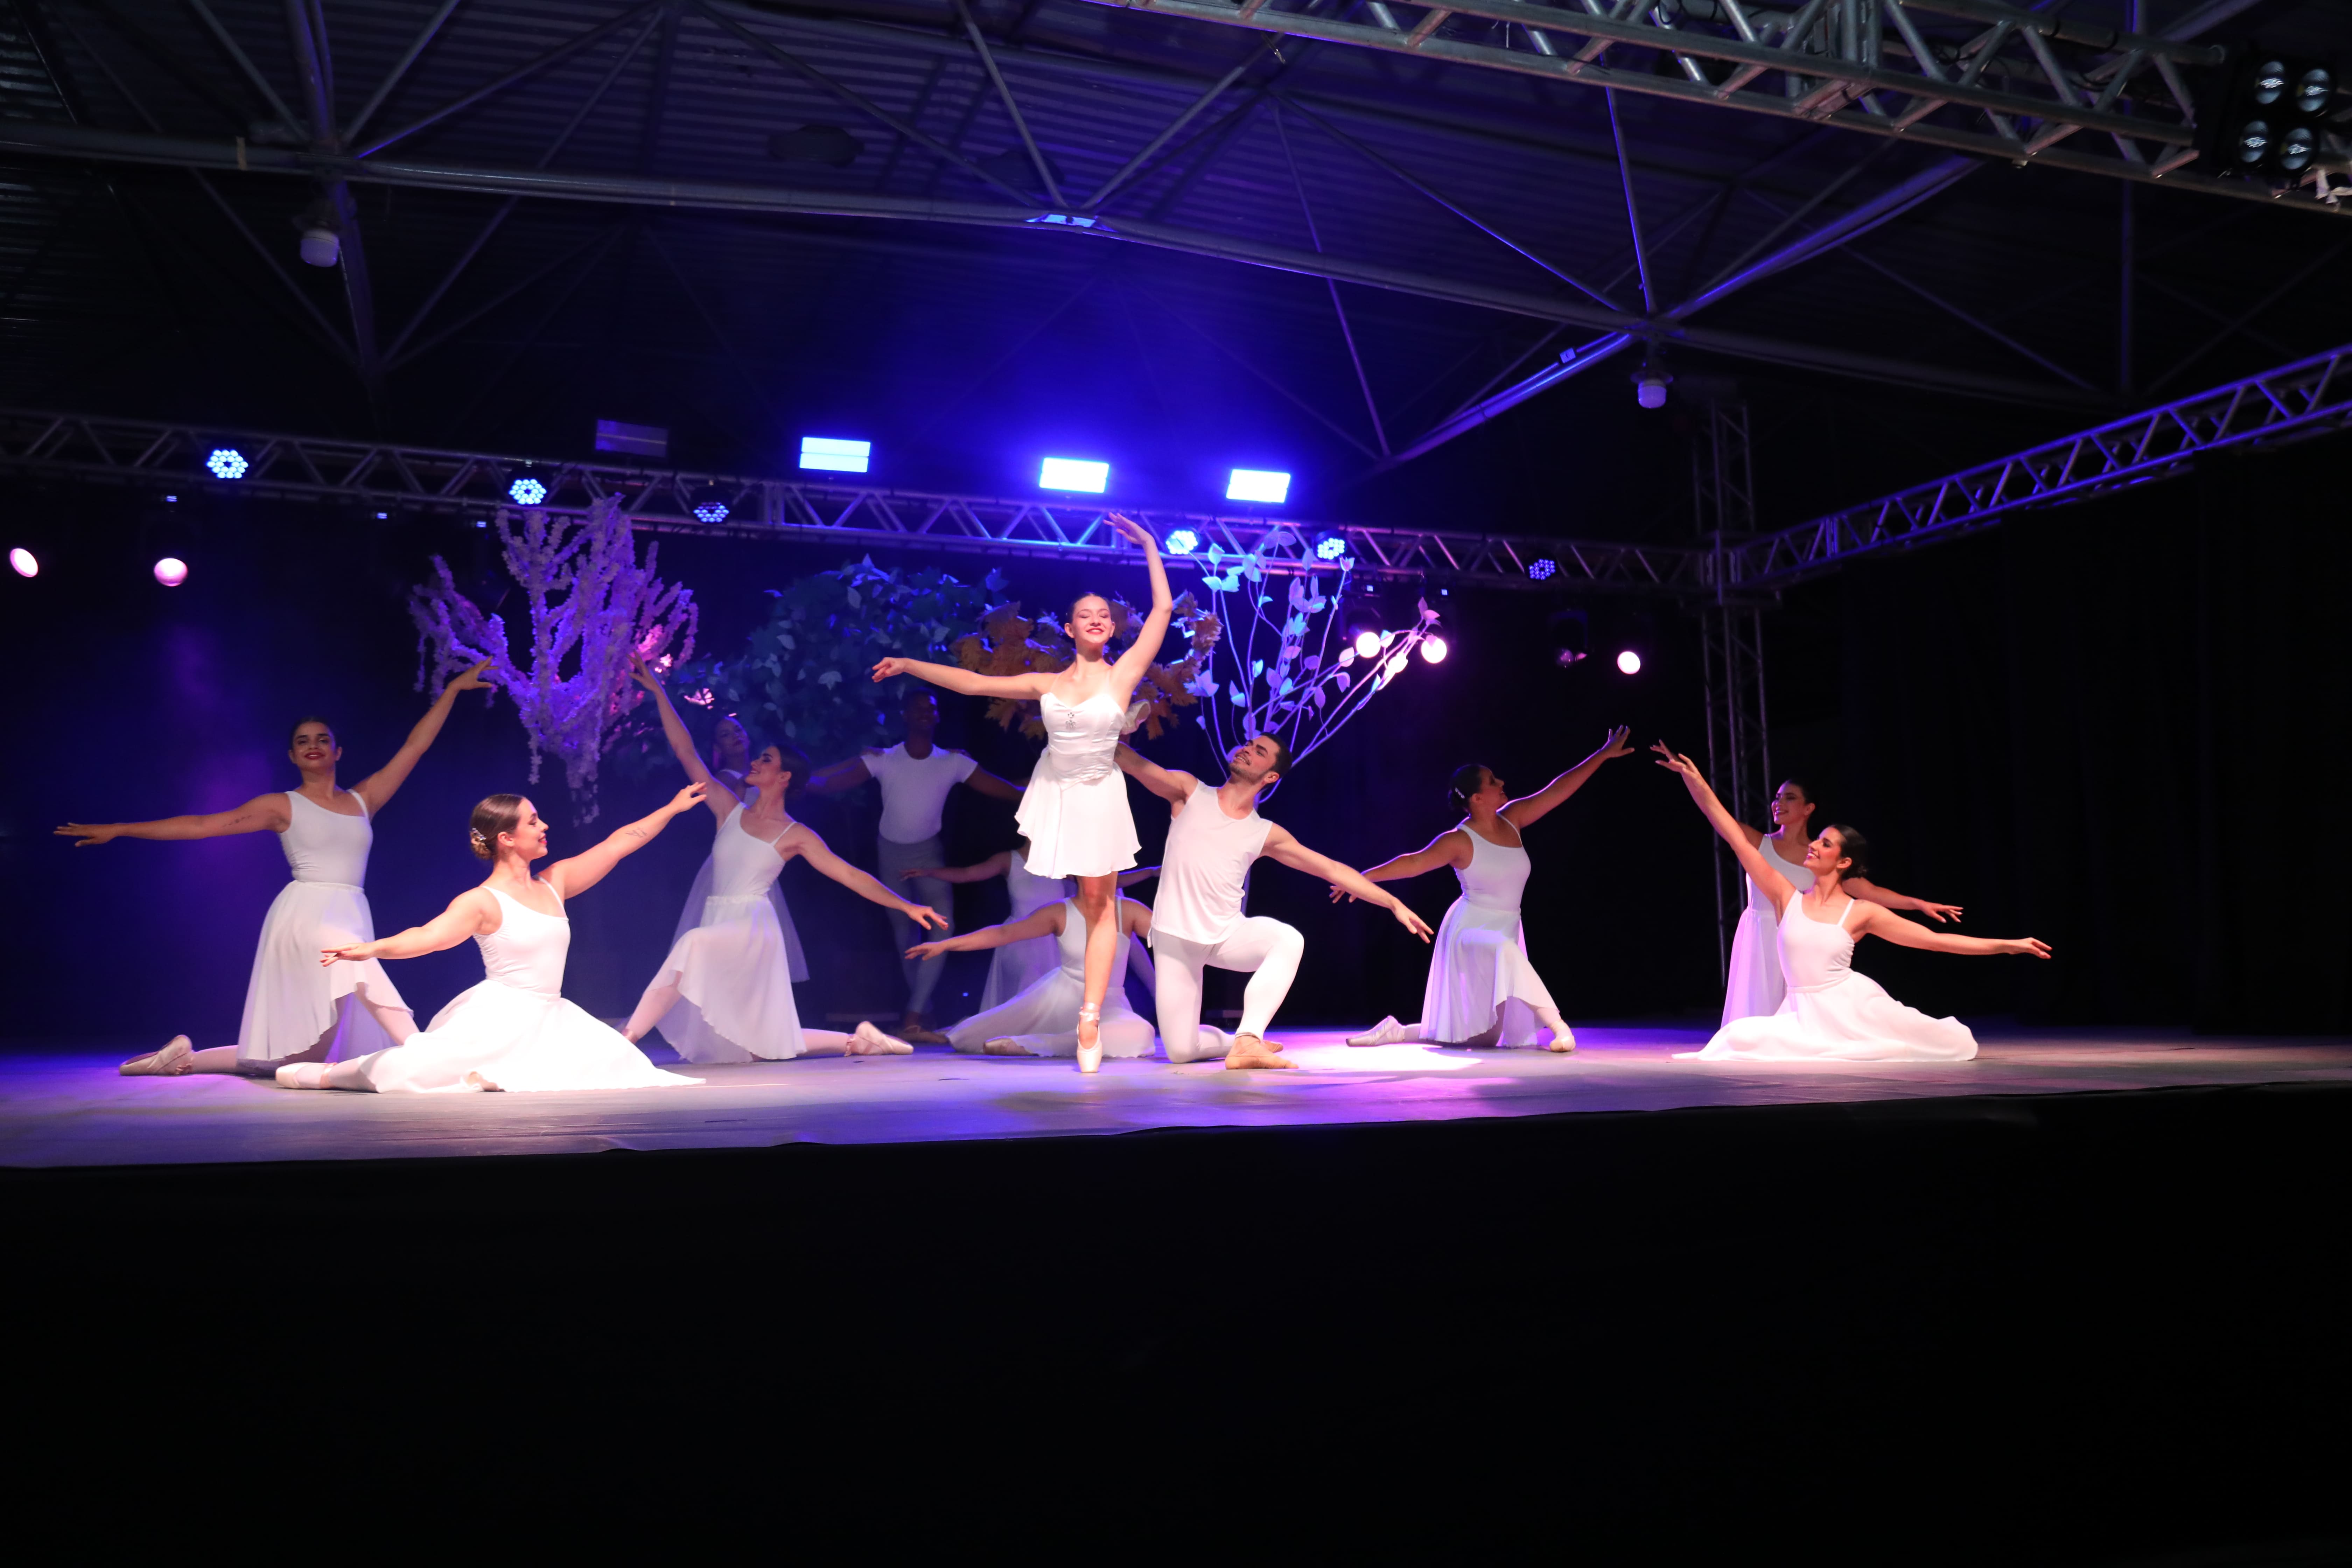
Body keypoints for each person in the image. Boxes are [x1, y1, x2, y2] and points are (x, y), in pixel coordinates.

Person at [59, 663, 495, 1077]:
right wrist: (120, 829)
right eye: (303, 741)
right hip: (307, 914)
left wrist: (453, 690)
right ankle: (427, 1053)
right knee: (357, 966)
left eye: (322, 739)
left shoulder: (365, 799)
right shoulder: (281, 805)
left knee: (310, 1054)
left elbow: (415, 747)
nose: (313, 745)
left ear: (338, 751)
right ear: (292, 755)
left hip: (350, 911)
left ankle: (183, 1061)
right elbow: (202, 826)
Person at [872, 511, 1172, 1070]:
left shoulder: (1123, 676)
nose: (1096, 620)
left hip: (1100, 795)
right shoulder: (1047, 683)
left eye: (1104, 615)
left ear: (1112, 628)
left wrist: (1150, 546)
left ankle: (1090, 1018)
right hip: (1058, 792)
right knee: (1080, 902)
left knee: (1101, 906)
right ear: (1070, 629)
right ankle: (1075, 1012)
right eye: (1085, 615)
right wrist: (911, 664)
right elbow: (975, 683)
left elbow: (1162, 611)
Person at [619, 655, 942, 1062]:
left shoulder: (796, 835)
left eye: (767, 760)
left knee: (691, 944)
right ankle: (857, 1041)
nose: (755, 762)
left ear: (785, 777)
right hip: (719, 916)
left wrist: (906, 905)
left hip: (752, 927)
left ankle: (625, 1040)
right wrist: (658, 691)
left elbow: (849, 875)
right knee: (751, 1043)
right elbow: (686, 752)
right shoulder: (728, 809)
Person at [278, 788, 710, 1092]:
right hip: (499, 1016)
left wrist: (672, 808)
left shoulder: (555, 883)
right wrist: (373, 948)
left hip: (553, 1015)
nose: (545, 826)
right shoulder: (481, 901)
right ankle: (322, 1075)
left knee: (617, 1065)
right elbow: (429, 937)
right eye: (533, 821)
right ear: (507, 838)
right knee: (413, 1071)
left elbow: (619, 844)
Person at [1653, 743, 2049, 1062]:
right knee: (1736, 1037)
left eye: (1825, 844)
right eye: (1817, 840)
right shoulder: (1785, 895)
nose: (1814, 846)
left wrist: (2007, 945)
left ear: (1843, 862)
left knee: (1948, 1042)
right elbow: (1730, 831)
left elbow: (1934, 941)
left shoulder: (1861, 912)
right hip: (1800, 1014)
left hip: (1852, 1009)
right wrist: (1695, 780)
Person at [1116, 734, 1434, 1071]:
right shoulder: (1189, 792)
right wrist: (1096, 726)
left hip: (1226, 935)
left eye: (1260, 751)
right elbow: (1134, 763)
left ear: (1271, 776)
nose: (1247, 750)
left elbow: (1331, 869)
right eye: (1249, 745)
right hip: (1176, 939)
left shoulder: (1264, 832)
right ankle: (1240, 1043)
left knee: (1288, 939)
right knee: (1181, 1052)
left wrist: (1393, 903)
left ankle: (1248, 1038)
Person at [1343, 728, 1636, 1052]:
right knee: (1505, 950)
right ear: (1477, 798)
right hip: (1470, 929)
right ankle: (1560, 1029)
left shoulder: (1514, 818)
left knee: (1484, 1039)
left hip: (1507, 925)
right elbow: (1415, 862)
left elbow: (1559, 789)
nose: (1502, 783)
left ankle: (1397, 1032)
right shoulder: (1458, 840)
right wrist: (1363, 878)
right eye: (1493, 782)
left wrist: (1602, 755)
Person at [806, 686, 1024, 1042]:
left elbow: (1005, 790)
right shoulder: (885, 759)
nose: (926, 712)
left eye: (931, 708)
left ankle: (914, 1013)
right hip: (891, 854)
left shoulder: (953, 762)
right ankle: (923, 1007)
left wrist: (1046, 787)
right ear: (905, 716)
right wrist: (794, 777)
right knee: (904, 934)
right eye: (918, 708)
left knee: (944, 925)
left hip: (928, 855)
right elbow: (827, 784)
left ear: (938, 716)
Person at [1718, 777, 1961, 1027]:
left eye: (1790, 798)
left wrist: (1918, 904)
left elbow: (1871, 892)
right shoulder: (1759, 842)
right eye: (1778, 797)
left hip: (1796, 938)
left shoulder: (1818, 855)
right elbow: (1717, 815)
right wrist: (1696, 781)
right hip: (1758, 935)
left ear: (1809, 808)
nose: (1779, 803)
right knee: (1758, 1008)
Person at [900, 841, 1158, 1011]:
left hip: (1054, 941)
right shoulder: (1012, 863)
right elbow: (972, 880)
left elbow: (1110, 882)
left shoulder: (1062, 866)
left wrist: (1150, 872)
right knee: (1027, 997)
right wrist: (945, 943)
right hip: (1025, 937)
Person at [911, 895, 1159, 1061]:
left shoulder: (1128, 910)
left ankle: (1042, 1044)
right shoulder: (1061, 912)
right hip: (1061, 999)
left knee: (1140, 1034)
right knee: (969, 1035)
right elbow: (1004, 933)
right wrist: (945, 945)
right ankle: (920, 1033)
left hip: (1110, 1004)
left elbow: (1168, 937)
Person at [673, 707, 808, 985]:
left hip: (761, 864)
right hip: (732, 865)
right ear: (718, 747)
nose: (734, 736)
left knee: (757, 945)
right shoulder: (727, 779)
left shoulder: (766, 773)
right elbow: (735, 816)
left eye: (737, 730)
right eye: (725, 734)